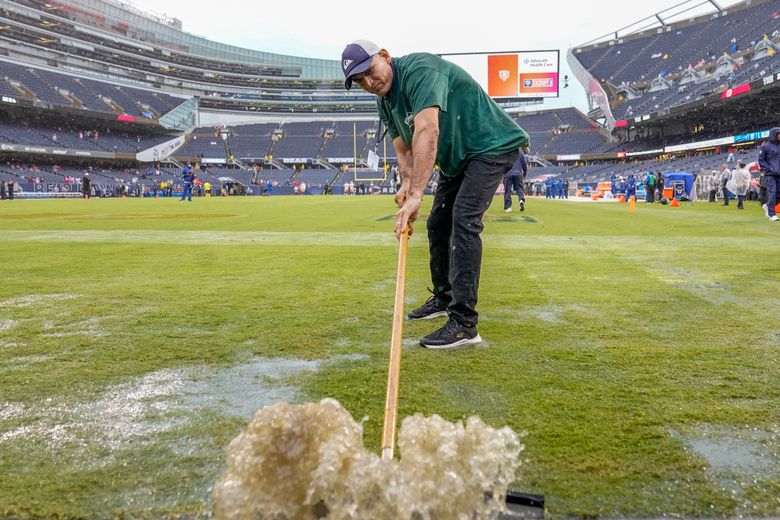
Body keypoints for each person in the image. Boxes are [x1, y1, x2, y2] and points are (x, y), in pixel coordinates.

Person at [342, 40, 529, 349]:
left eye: (370, 72)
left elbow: (427, 130)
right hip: (459, 159)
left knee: (464, 219)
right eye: (360, 81)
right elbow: (402, 145)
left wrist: (417, 193)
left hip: (490, 145)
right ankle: (444, 298)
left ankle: (464, 325)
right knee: (437, 223)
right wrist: (405, 184)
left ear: (386, 57)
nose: (369, 82)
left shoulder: (419, 71)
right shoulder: (384, 100)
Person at [758, 127, 780, 221]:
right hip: (770, 174)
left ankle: (767, 206)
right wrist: (768, 169)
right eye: (778, 134)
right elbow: (761, 160)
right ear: (774, 135)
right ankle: (771, 214)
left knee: (778, 194)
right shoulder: (765, 146)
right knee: (773, 192)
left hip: (779, 173)